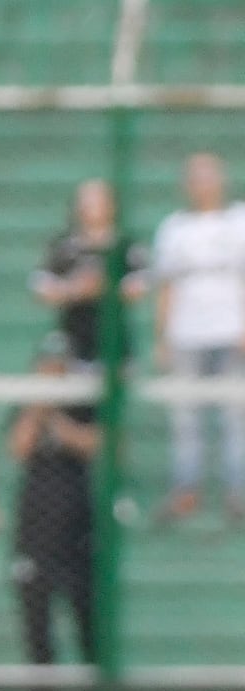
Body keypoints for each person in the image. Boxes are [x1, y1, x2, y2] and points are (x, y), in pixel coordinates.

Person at [146, 153, 245, 520]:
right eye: (195, 178)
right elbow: (167, 287)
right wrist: (162, 337)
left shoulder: (239, 221)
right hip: (187, 333)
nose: (202, 184)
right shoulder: (174, 228)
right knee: (185, 416)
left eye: (208, 176)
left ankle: (237, 490)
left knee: (235, 413)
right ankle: (186, 489)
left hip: (230, 330)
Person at [8, 333, 100, 691]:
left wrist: (59, 420)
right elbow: (18, 448)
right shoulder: (24, 405)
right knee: (35, 610)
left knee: (87, 610)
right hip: (35, 523)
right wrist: (38, 409)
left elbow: (97, 444)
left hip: (77, 520)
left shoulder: (82, 404)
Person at [31, 178, 139, 369]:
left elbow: (139, 287)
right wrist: (75, 289)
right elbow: (41, 288)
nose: (91, 207)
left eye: (98, 201)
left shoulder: (124, 246)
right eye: (86, 202)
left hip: (116, 343)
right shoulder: (64, 246)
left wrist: (105, 287)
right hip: (73, 343)